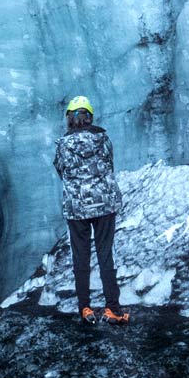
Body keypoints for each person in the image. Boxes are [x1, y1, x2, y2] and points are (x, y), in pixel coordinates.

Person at [54, 96, 127, 323]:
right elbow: (109, 166)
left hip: (77, 207)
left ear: (69, 119)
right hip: (104, 204)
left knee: (81, 257)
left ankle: (85, 308)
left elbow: (61, 172)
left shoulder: (62, 145)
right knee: (106, 255)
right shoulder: (103, 140)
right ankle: (112, 309)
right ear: (90, 117)